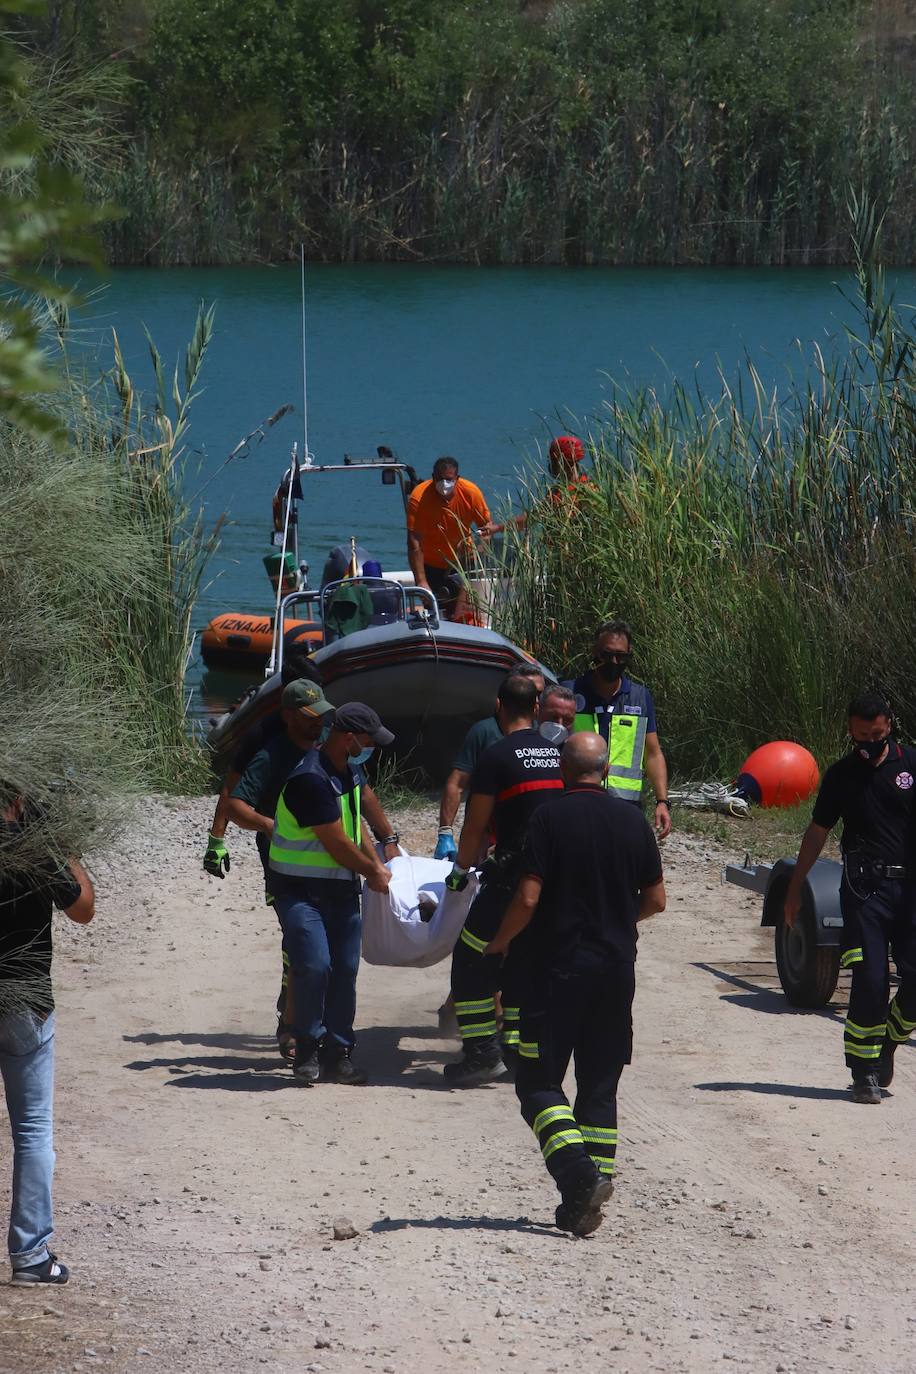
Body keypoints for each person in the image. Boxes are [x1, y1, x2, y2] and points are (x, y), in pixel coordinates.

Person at [485, 733, 666, 1236]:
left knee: (537, 1082)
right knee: (600, 1087)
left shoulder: (547, 818)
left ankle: (579, 1176)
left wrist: (498, 944)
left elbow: (526, 898)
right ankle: (588, 1201)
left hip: (556, 971)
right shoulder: (632, 820)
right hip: (615, 971)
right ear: (606, 771)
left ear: (563, 771)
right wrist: (612, 917)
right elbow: (656, 901)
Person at [228, 681, 402, 1059]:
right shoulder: (276, 756)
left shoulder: (339, 760)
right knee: (305, 956)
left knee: (329, 962)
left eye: (323, 714)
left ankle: (320, 1040)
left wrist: (387, 840)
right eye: (311, 716)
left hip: (338, 875)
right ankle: (293, 1031)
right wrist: (268, 826)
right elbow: (235, 803)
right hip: (292, 869)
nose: (318, 722)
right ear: (289, 716)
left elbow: (360, 804)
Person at [784, 691, 916, 1105]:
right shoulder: (841, 775)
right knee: (871, 981)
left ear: (889, 726)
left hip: (910, 890)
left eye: (876, 735)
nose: (869, 744)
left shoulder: (911, 764)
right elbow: (817, 832)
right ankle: (864, 1072)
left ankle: (889, 1041)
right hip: (865, 892)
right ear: (850, 731)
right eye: (861, 737)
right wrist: (794, 888)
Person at [443, 674, 564, 1085]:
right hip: (552, 881)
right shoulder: (556, 754)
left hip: (512, 879)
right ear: (536, 709)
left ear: (498, 707)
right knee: (521, 960)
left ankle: (481, 1053)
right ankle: (515, 1048)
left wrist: (459, 873)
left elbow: (475, 828)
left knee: (472, 961)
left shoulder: (496, 758)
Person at [269, 703, 394, 1086]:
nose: (372, 745)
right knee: (314, 965)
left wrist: (384, 851)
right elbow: (337, 844)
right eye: (369, 739)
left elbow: (358, 820)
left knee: (345, 970)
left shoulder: (350, 770)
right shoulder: (311, 778)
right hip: (299, 891)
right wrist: (374, 871)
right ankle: (307, 1047)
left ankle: (338, 1053)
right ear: (349, 737)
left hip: (339, 889)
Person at [1, 791, 95, 1285]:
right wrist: (66, 845)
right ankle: (32, 1257)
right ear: (19, 797)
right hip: (25, 1004)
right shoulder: (37, 848)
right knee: (33, 1132)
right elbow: (83, 908)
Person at [203, 648, 323, 880]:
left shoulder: (323, 727)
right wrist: (215, 841)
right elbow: (231, 787)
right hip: (274, 833)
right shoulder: (262, 733)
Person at [564, 620, 671, 839]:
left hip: (625, 808)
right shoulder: (570, 693)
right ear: (595, 652)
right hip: (576, 802)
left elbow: (653, 753)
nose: (614, 662)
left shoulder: (641, 698)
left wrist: (662, 801)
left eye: (621, 657)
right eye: (607, 654)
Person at [434, 663, 547, 861]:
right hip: (485, 834)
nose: (534, 700)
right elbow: (458, 782)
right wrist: (445, 832)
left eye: (539, 694)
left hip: (528, 835)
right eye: (527, 692)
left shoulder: (543, 735)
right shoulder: (484, 732)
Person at [406, 456, 493, 619]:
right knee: (433, 613)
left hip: (463, 562)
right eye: (440, 479)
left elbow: (486, 528)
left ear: (457, 478)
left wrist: (478, 554)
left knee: (461, 614)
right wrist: (421, 581)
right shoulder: (419, 497)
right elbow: (413, 542)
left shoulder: (471, 493)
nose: (444, 484)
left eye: (449, 479)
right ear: (433, 477)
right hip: (430, 563)